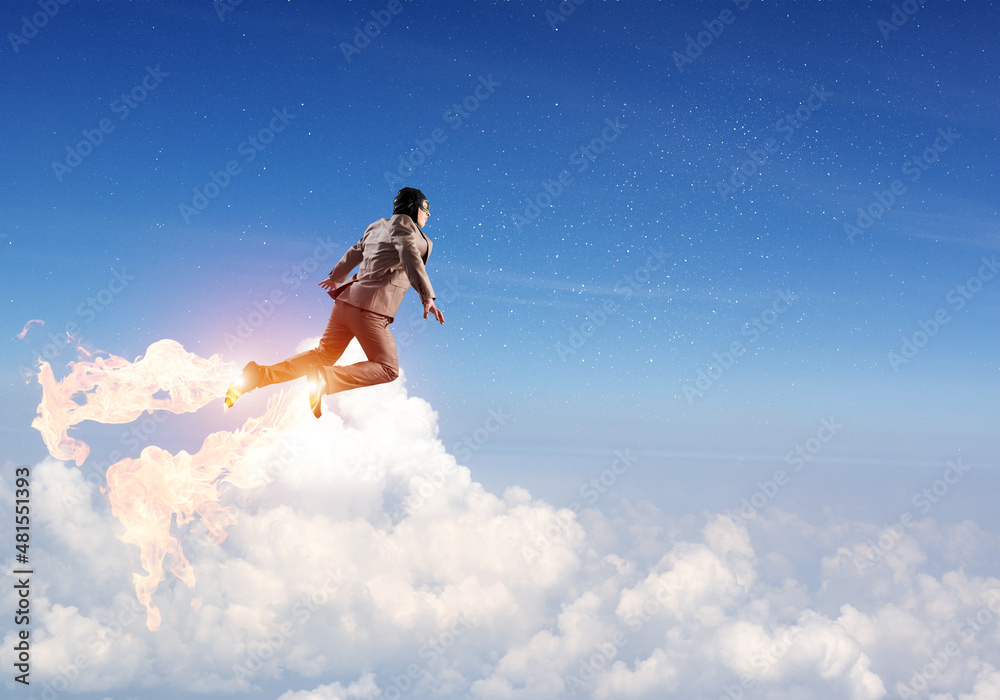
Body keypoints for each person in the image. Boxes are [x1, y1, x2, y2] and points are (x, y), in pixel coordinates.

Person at [224, 187, 444, 418]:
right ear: (413, 207)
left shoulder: (377, 225)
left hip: (345, 303)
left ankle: (256, 376)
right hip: (370, 310)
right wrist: (426, 295)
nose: (428, 214)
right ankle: (325, 379)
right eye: (426, 208)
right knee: (388, 369)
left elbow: (356, 251)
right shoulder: (406, 228)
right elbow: (409, 254)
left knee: (323, 355)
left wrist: (336, 277)